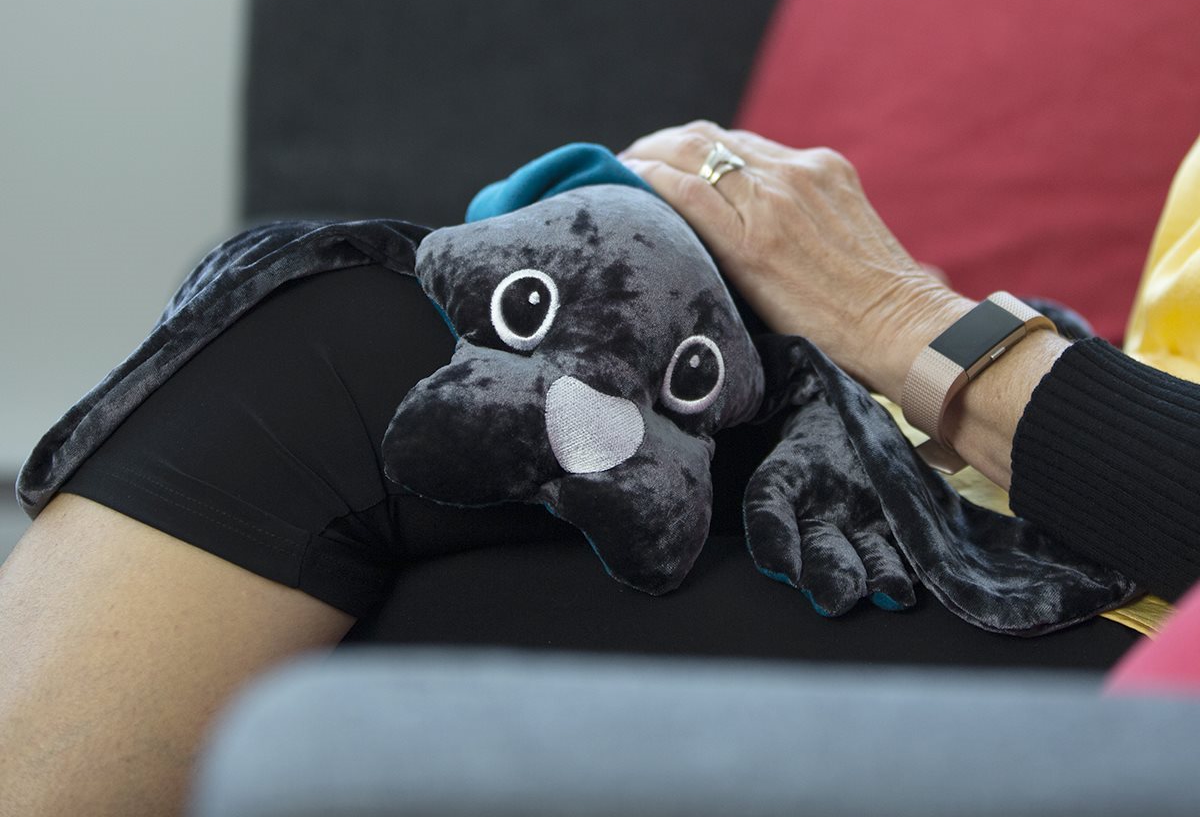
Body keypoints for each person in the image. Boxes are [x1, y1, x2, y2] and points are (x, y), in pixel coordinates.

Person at [0, 119, 1197, 816]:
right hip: (1107, 533)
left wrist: (897, 318)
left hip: (1156, 682)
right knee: (350, 359)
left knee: (348, 455)